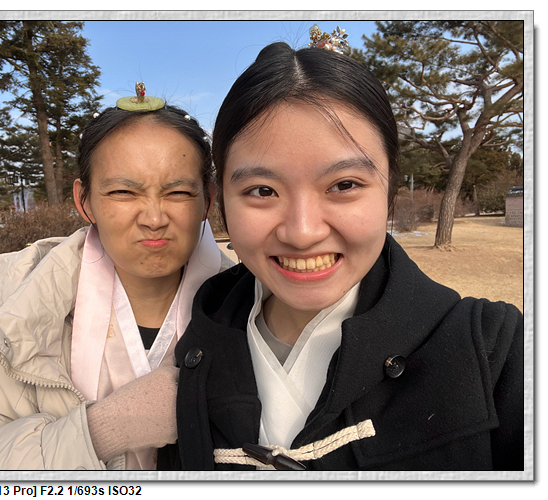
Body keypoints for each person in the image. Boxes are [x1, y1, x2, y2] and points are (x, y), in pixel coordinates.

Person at [160, 33, 524, 471]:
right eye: (262, 190)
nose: (302, 233)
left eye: (344, 185)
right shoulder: (188, 343)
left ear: (389, 189)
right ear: (221, 202)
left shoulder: (498, 353)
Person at [0, 89, 234, 470]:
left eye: (179, 192)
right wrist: (100, 432)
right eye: (123, 192)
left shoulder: (255, 310)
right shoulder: (19, 326)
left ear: (207, 200)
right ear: (84, 200)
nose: (154, 218)